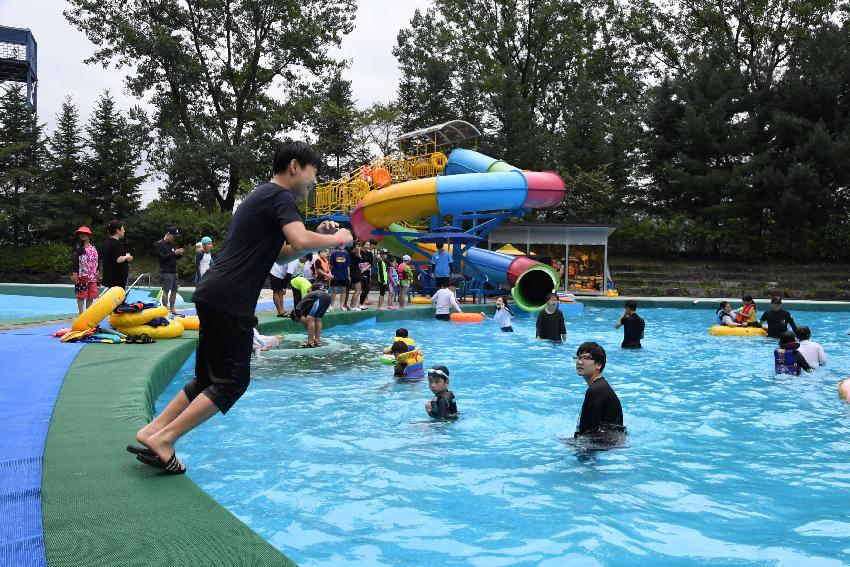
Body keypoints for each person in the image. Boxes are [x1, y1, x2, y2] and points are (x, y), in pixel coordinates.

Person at [131, 140, 353, 475]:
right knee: (232, 382)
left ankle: (152, 431)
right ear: (294, 167)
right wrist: (338, 239)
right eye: (313, 173)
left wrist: (314, 234)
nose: (314, 182)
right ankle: (165, 440)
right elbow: (301, 242)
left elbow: (285, 251)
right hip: (231, 297)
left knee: (207, 377)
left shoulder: (261, 196)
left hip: (214, 292)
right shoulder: (281, 196)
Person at [573, 342, 625, 438]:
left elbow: (584, 436)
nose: (579, 362)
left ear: (598, 365)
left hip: (604, 446)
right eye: (578, 357)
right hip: (613, 444)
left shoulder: (595, 391)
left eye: (586, 358)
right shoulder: (601, 387)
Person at [155, 226, 185, 315]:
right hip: (165, 270)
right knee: (166, 290)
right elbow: (162, 258)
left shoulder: (171, 244)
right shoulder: (159, 243)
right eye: (173, 236)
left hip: (173, 270)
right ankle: (164, 309)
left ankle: (172, 308)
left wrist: (179, 254)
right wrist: (174, 253)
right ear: (168, 234)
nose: (174, 238)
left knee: (175, 290)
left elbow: (174, 257)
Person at [71, 225, 100, 315]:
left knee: (91, 296)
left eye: (84, 234)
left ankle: (87, 315)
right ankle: (81, 314)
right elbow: (75, 260)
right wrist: (75, 272)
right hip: (82, 275)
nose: (82, 235)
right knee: (81, 295)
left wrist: (98, 270)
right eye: (81, 234)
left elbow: (96, 259)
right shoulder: (78, 247)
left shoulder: (94, 246)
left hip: (92, 275)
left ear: (88, 235)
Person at [102, 220, 132, 289]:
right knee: (117, 299)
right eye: (123, 229)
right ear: (118, 231)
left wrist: (126, 257)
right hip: (116, 279)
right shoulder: (114, 243)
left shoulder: (109, 242)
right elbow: (118, 259)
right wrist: (127, 256)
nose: (124, 231)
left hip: (112, 278)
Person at [329, 245, 351, 310]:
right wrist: (330, 274)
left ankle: (341, 306)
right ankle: (332, 306)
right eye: (340, 244)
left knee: (343, 290)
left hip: (344, 274)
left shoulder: (347, 254)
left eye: (343, 244)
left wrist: (349, 276)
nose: (341, 246)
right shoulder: (333, 254)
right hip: (335, 274)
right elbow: (330, 265)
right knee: (334, 290)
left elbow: (348, 266)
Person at [347, 241, 367, 310]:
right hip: (355, 273)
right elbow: (360, 259)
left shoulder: (349, 254)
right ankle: (353, 306)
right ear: (355, 246)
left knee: (357, 290)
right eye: (357, 245)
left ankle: (352, 305)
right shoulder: (353, 254)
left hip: (353, 273)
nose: (358, 247)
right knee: (358, 290)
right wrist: (358, 252)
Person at [358, 240, 376, 307]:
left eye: (369, 245)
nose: (367, 246)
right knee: (360, 288)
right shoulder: (359, 252)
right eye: (366, 244)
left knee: (366, 288)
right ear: (363, 244)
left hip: (366, 271)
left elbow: (371, 263)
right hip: (359, 271)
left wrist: (365, 269)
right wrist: (361, 269)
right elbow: (358, 261)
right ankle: (360, 303)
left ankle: (361, 303)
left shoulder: (370, 253)